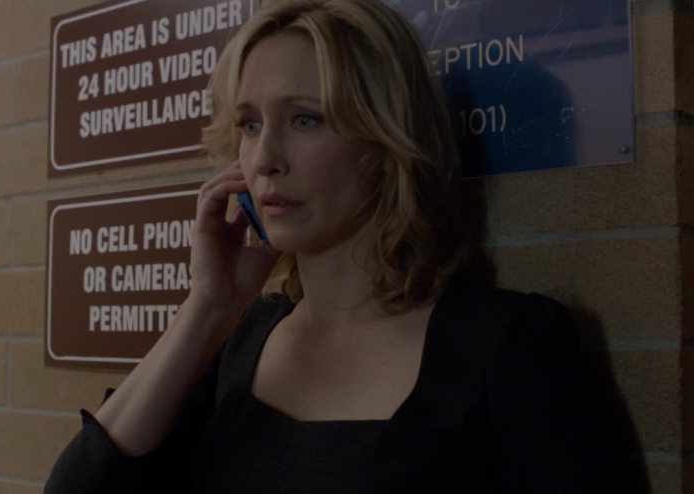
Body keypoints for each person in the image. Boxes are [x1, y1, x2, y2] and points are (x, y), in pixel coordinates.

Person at [45, 0, 628, 492]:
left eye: (305, 119)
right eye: (250, 124)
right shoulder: (241, 341)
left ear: (386, 140)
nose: (265, 159)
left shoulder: (508, 345)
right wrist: (207, 307)